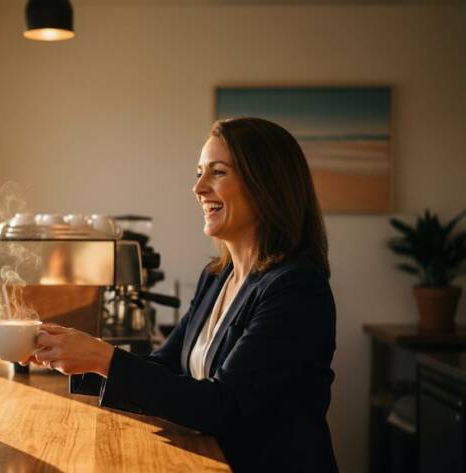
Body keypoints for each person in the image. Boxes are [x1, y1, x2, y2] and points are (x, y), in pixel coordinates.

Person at [30, 117, 338, 472]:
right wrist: (75, 354)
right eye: (199, 173)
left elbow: (224, 407)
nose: (199, 188)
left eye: (218, 173)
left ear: (266, 185)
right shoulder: (218, 277)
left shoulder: (296, 289)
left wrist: (103, 358)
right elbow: (168, 365)